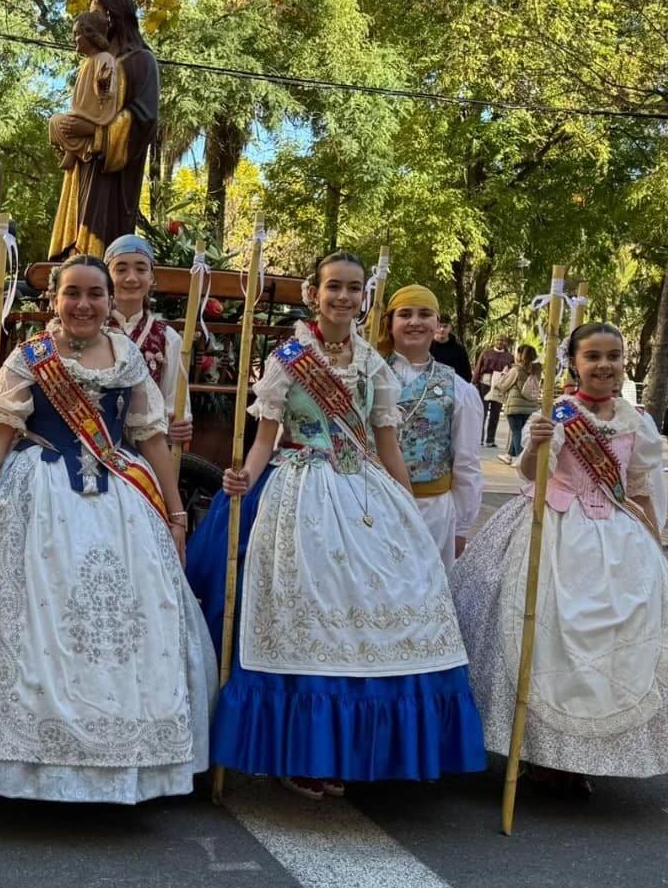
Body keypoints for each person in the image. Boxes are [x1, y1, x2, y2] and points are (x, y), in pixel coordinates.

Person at [189, 252, 485, 801]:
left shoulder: (373, 363)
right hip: (299, 489)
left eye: (353, 289)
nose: (343, 297)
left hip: (364, 489)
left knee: (378, 612)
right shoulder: (287, 359)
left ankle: (359, 748)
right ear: (314, 293)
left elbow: (388, 447)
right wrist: (242, 480)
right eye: (334, 288)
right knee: (307, 612)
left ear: (363, 298)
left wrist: (407, 515)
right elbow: (263, 441)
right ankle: (300, 750)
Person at [0, 254, 216, 803]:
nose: (83, 304)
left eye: (95, 294)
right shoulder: (29, 356)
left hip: (118, 500)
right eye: (72, 294)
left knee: (124, 625)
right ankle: (19, 761)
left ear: (110, 301)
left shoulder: (127, 355)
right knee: (31, 620)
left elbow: (151, 436)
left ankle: (121, 761)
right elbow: (4, 426)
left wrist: (176, 512)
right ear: (54, 300)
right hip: (35, 495)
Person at [451, 323, 668, 798]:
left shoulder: (638, 423)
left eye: (613, 356)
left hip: (616, 535)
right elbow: (532, 479)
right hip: (553, 527)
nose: (604, 365)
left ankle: (580, 759)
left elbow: (637, 489)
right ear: (574, 362)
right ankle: (538, 753)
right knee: (542, 639)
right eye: (592, 356)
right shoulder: (559, 413)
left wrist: (653, 548)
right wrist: (534, 443)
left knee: (610, 648)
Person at [374, 285, 483, 569]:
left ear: (436, 323)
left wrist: (461, 526)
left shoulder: (458, 389)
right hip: (373, 503)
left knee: (425, 587)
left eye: (424, 314)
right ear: (390, 323)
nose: (414, 322)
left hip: (431, 509)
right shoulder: (366, 377)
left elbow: (467, 461)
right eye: (405, 314)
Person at [48, 0, 160, 259]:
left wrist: (95, 131)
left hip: (111, 177)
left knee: (97, 255)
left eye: (96, 11)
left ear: (112, 17)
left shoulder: (141, 61)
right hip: (82, 167)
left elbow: (144, 120)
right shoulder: (95, 62)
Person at [104, 233, 194, 444]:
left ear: (152, 277)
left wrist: (178, 427)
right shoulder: (93, 331)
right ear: (106, 276)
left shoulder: (168, 339)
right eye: (121, 269)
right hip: (94, 444)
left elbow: (176, 406)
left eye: (141, 269)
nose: (132, 278)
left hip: (148, 449)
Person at [49, 12, 121, 171]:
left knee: (61, 123)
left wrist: (103, 83)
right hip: (78, 115)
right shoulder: (86, 63)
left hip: (92, 118)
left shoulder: (104, 58)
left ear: (90, 34)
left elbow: (107, 85)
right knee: (54, 121)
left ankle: (83, 145)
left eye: (77, 34)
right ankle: (72, 149)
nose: (74, 39)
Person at [492, 344, 539, 465]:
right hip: (530, 407)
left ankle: (520, 457)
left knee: (517, 431)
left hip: (515, 406)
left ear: (520, 355)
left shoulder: (516, 370)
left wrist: (503, 375)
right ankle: (509, 455)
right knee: (519, 431)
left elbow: (502, 386)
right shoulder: (536, 370)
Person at [473, 335, 514, 447]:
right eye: (498, 340)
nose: (500, 342)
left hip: (499, 386)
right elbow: (478, 367)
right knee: (482, 412)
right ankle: (479, 438)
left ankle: (490, 440)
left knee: (495, 413)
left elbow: (511, 372)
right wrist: (475, 382)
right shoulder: (486, 353)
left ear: (505, 342)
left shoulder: (509, 356)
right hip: (485, 384)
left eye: (502, 340)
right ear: (494, 341)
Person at [431, 313, 473, 383]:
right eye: (439, 326)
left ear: (450, 327)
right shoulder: (425, 348)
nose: (442, 329)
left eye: (445, 326)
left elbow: (467, 376)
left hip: (454, 389)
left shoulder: (459, 350)